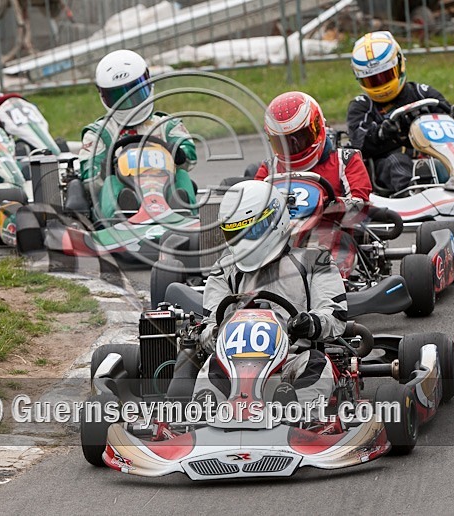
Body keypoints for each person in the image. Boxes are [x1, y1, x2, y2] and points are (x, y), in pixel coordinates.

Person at [189, 180, 348, 409]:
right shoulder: (224, 269)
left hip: (292, 358)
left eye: (252, 231)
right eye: (236, 234)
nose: (244, 242)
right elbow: (211, 323)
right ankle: (204, 416)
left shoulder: (315, 261)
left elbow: (334, 316)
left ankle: (299, 414)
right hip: (234, 365)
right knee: (211, 367)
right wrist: (216, 333)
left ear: (275, 220)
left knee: (317, 364)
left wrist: (310, 323)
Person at [78, 49, 197, 221]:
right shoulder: (99, 133)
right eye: (118, 96)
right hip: (125, 196)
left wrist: (179, 153)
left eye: (135, 92)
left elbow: (190, 157)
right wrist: (106, 169)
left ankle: (183, 212)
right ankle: (119, 214)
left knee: (182, 175)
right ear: (103, 96)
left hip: (164, 191)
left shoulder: (166, 125)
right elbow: (89, 178)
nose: (128, 101)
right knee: (111, 182)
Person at [346, 31, 454, 193]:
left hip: (436, 155)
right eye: (372, 80)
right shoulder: (361, 106)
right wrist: (382, 134)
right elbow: (359, 144)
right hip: (389, 163)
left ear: (399, 64)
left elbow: (453, 125)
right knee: (398, 162)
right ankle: (411, 194)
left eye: (386, 76)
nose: (381, 85)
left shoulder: (423, 93)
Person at [256, 91, 372, 202]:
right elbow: (254, 205)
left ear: (318, 127)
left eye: (301, 136)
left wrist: (328, 204)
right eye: (282, 142)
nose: (293, 147)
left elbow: (359, 205)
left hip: (333, 217)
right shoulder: (270, 169)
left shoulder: (346, 161)